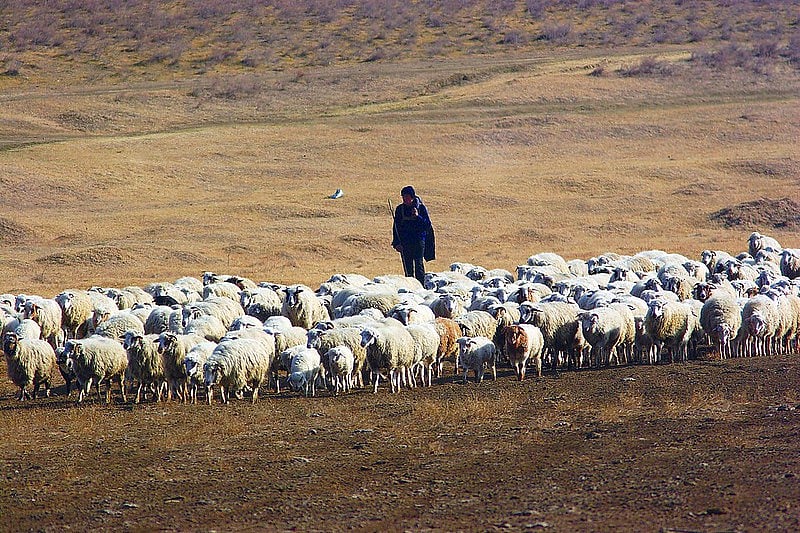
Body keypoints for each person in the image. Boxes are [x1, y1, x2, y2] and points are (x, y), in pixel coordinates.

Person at [392, 185, 435, 285]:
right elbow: (396, 228)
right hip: (405, 242)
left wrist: (417, 216)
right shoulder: (400, 209)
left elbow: (427, 225)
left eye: (406, 197)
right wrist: (396, 243)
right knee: (408, 267)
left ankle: (420, 286)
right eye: (403, 197)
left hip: (419, 241)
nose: (404, 199)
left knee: (419, 265)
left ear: (412, 197)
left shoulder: (421, 208)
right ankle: (410, 286)